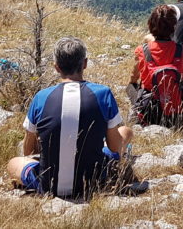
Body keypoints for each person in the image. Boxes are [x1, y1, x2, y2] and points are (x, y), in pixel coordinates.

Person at [8, 37, 134, 198]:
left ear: (56, 67)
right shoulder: (103, 93)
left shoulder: (41, 97)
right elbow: (115, 147)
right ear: (85, 64)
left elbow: (28, 151)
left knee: (13, 163)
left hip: (48, 184)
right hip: (94, 181)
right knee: (126, 131)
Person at [129, 5, 183, 125]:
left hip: (150, 110)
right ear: (173, 27)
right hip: (175, 110)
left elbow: (133, 77)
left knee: (130, 87)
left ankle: (137, 112)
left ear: (150, 25)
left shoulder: (142, 50)